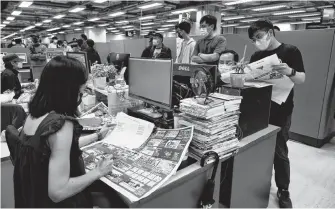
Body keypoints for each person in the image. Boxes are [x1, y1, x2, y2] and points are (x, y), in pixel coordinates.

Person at [8, 56, 116, 207]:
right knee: (110, 199)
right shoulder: (61, 125)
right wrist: (98, 171)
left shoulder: (34, 116)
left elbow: (54, 149)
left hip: (33, 200)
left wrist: (97, 136)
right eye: (82, 91)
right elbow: (58, 192)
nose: (81, 96)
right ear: (69, 90)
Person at [248, 19, 306, 208]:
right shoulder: (257, 55)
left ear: (270, 33)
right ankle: (258, 184)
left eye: (259, 37)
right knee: (257, 149)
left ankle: (283, 189)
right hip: (259, 109)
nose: (257, 41)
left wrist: (290, 71)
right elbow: (250, 80)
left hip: (281, 109)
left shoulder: (290, 51)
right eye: (253, 39)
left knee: (279, 150)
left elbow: (301, 79)